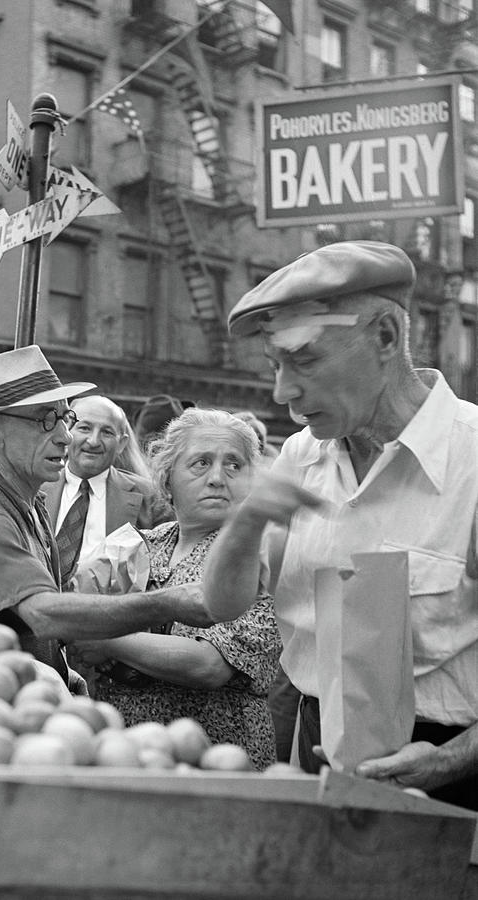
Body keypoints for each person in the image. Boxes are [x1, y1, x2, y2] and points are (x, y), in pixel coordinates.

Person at [203, 240, 478, 809]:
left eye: (305, 360)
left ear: (384, 337)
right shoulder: (301, 455)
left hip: (449, 774)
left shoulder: (471, 460)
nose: (284, 393)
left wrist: (451, 760)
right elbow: (223, 606)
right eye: (275, 366)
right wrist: (248, 520)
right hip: (317, 748)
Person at [0, 345, 215, 692]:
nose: (65, 437)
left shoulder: (28, 503)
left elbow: (32, 627)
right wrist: (166, 603)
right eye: (44, 420)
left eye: (65, 419)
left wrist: (64, 671)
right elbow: (44, 614)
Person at [71, 409, 281, 769]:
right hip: (126, 756)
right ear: (167, 479)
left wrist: (104, 637)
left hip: (218, 760)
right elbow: (79, 623)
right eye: (201, 463)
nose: (217, 478)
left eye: (234, 465)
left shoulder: (257, 555)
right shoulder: (134, 547)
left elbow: (210, 665)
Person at [41, 394, 173, 589]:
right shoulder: (35, 487)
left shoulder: (150, 498)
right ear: (66, 432)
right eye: (84, 428)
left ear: (121, 443)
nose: (93, 441)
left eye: (107, 432)